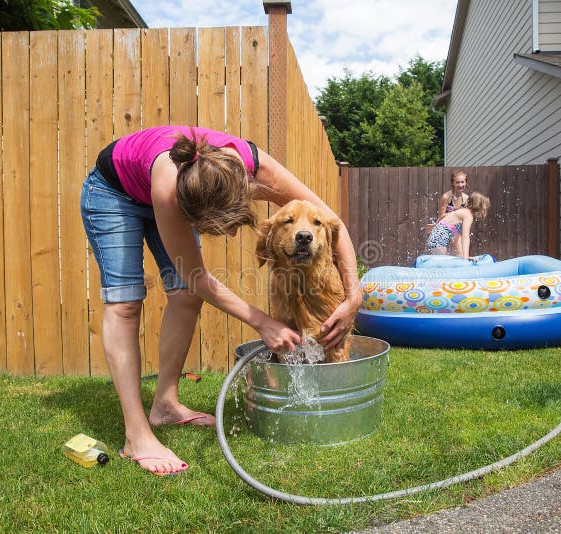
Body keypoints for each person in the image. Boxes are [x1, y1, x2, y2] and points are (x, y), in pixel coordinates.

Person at [80, 126, 361, 476]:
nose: (230, 234)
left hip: (167, 184)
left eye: (233, 226)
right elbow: (197, 276)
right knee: (125, 304)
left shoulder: (260, 170)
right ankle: (137, 434)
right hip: (114, 192)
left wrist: (353, 297)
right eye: (221, 228)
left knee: (184, 298)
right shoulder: (169, 192)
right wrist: (261, 321)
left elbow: (333, 221)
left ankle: (165, 404)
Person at [425, 192, 490, 259]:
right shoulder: (468, 215)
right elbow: (465, 236)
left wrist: (437, 225)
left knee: (439, 261)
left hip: (435, 237)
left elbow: (444, 216)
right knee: (439, 264)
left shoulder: (461, 211)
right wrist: (466, 256)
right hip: (439, 240)